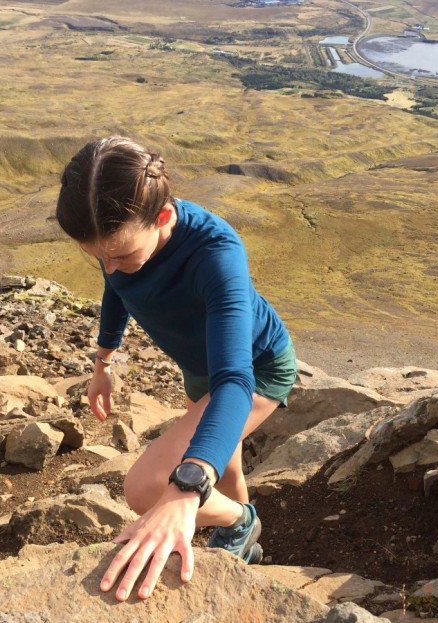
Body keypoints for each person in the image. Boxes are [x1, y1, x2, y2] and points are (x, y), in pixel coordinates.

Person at [54, 136, 296, 602]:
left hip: (255, 369)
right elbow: (118, 289)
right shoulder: (122, 234)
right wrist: (102, 363)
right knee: (224, 466)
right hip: (201, 371)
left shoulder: (216, 255)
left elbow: (235, 380)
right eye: (98, 258)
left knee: (147, 488)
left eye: (121, 254)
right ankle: (244, 535)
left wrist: (186, 490)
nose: (111, 267)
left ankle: (240, 523)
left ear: (163, 217)